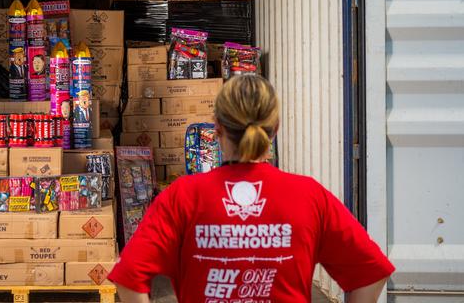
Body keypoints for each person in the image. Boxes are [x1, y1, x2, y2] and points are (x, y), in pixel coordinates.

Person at [108, 75, 394, 303]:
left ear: (216, 127)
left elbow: (129, 276)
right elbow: (370, 274)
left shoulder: (183, 195)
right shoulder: (308, 196)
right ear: (276, 128)